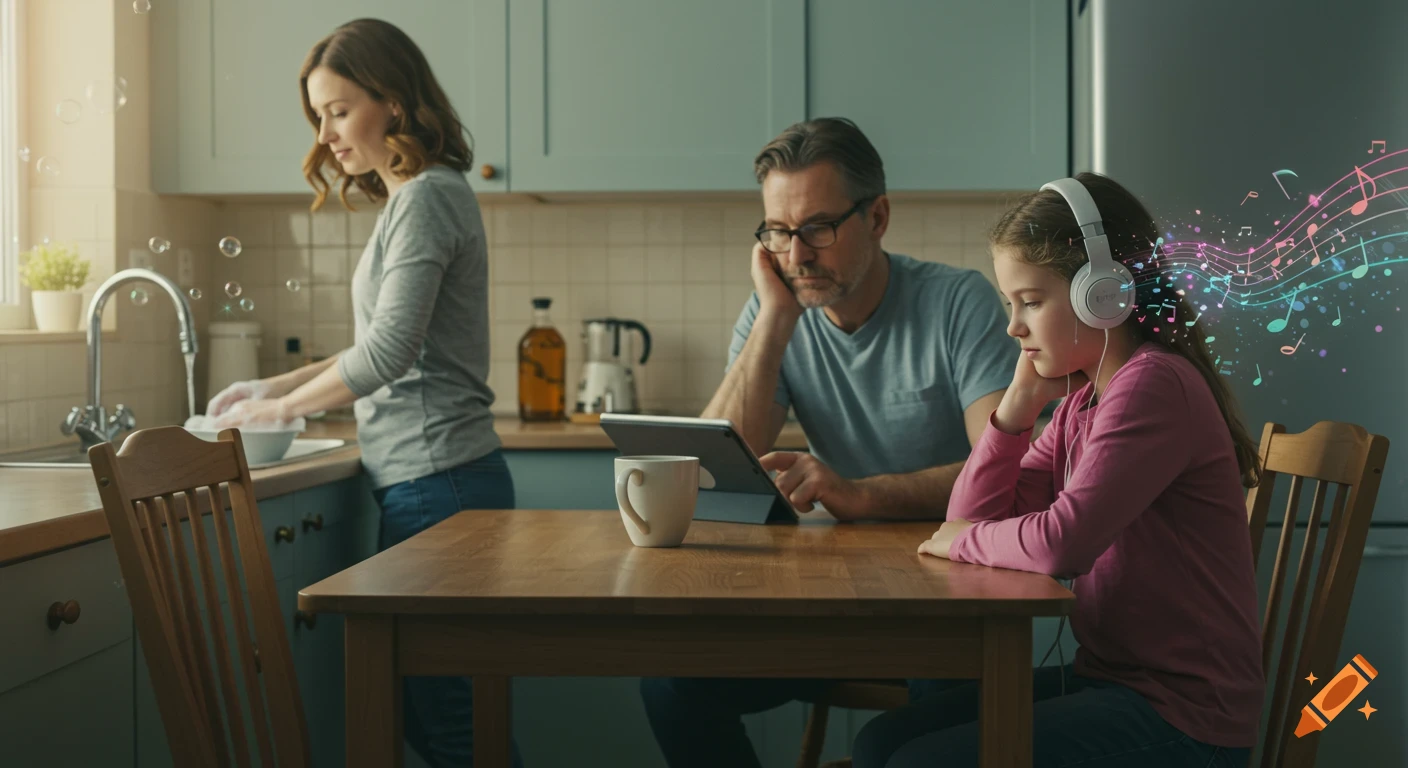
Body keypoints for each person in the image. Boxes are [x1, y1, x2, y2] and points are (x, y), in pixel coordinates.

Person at [639, 118, 1017, 768]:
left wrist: (860, 495)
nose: (797, 255)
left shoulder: (959, 303)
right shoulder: (777, 310)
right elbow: (707, 469)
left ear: (878, 218)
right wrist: (774, 318)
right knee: (672, 686)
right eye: (777, 232)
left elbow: (1006, 476)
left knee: (928, 724)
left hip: (946, 604)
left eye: (817, 228)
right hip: (833, 605)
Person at [852, 172, 1264, 768]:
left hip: (1186, 716)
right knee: (880, 743)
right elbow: (975, 513)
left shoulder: (1152, 385)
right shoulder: (1082, 401)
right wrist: (1018, 406)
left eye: (1031, 301)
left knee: (920, 761)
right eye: (1010, 304)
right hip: (1114, 681)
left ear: (1103, 294)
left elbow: (1059, 544)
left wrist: (962, 541)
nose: (1013, 327)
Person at [207, 18, 519, 768]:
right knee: (438, 721)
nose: (325, 136)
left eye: (339, 111)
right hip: (433, 483)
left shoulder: (427, 199)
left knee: (455, 727)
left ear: (395, 103)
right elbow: (379, 344)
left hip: (440, 485)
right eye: (319, 116)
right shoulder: (414, 200)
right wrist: (271, 383)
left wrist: (280, 410)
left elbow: (387, 353)